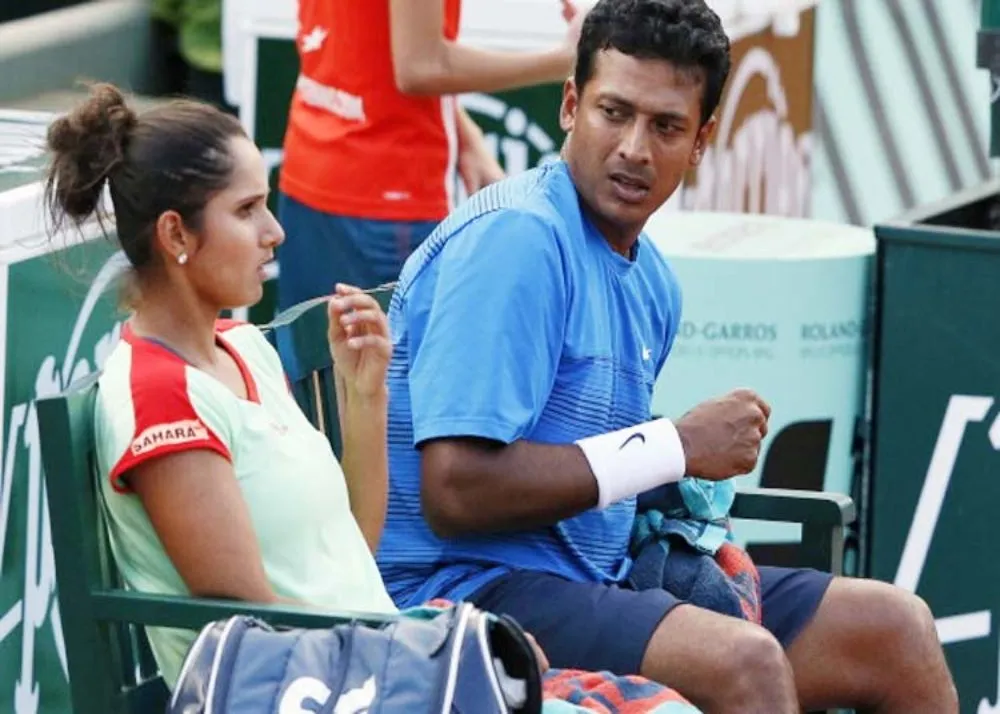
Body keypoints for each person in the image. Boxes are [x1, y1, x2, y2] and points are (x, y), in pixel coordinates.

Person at [42, 83, 703, 714]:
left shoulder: (245, 349)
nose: (275, 232)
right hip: (306, 686)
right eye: (247, 211)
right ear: (176, 235)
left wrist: (366, 396)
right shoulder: (159, 396)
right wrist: (427, 651)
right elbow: (258, 627)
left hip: (356, 661)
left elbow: (353, 545)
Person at [377, 0, 959, 712]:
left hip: (597, 575)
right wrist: (673, 446)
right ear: (570, 105)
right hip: (464, 594)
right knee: (744, 664)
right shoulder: (518, 240)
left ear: (703, 138)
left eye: (665, 126)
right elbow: (456, 491)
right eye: (613, 112)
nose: (633, 148)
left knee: (894, 628)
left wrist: (669, 467)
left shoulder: (652, 279)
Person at [276, 0, 584, 313]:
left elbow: (374, 39)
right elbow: (421, 66)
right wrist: (566, 60)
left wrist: (462, 133)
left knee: (311, 353)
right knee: (391, 358)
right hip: (390, 193)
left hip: (313, 163)